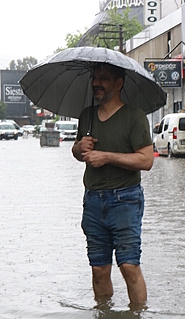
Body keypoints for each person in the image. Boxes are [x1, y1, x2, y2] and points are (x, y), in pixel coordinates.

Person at [72, 64, 154, 308]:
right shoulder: (86, 116)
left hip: (125, 200)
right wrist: (79, 148)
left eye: (104, 78)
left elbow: (146, 160)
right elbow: (77, 153)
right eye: (95, 78)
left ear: (119, 84)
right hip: (93, 201)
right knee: (98, 268)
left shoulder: (134, 117)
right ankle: (104, 313)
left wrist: (106, 156)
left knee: (129, 265)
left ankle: (137, 313)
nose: (97, 83)